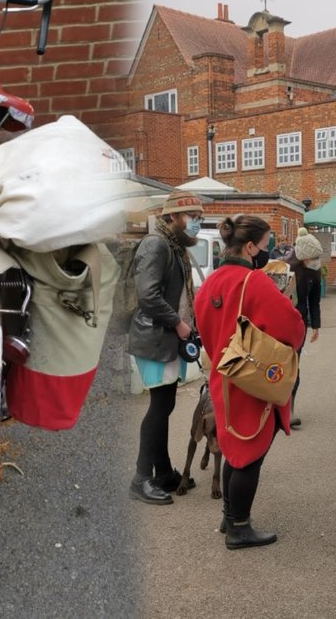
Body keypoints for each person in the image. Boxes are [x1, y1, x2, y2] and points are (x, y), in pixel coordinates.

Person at [194, 214, 307, 549]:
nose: (267, 250)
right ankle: (239, 528)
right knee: (250, 455)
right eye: (265, 243)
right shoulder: (253, 282)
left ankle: (230, 518)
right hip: (250, 378)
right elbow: (291, 326)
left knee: (234, 450)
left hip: (222, 377)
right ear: (249, 246)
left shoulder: (211, 281)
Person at [127, 191, 206, 505]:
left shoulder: (172, 245)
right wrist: (178, 323)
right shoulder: (156, 244)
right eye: (192, 217)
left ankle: (162, 472)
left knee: (165, 404)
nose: (196, 224)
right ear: (171, 217)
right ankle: (141, 478)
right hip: (156, 337)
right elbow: (148, 295)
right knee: (159, 408)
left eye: (199, 217)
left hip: (166, 338)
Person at [289, 229, 323, 428]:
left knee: (294, 364)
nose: (317, 261)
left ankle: (289, 408)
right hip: (281, 324)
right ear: (302, 257)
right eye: (314, 257)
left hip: (300, 324)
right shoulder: (286, 271)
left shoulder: (314, 271)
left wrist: (316, 325)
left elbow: (314, 301)